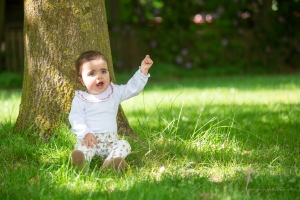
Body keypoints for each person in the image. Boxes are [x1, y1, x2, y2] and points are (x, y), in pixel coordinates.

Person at [69, 50, 153, 171]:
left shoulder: (114, 92)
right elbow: (76, 119)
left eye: (103, 71)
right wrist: (85, 133)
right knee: (84, 148)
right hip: (90, 140)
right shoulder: (81, 99)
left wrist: (143, 71)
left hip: (110, 143)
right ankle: (81, 162)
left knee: (124, 144)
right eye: (92, 73)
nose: (99, 76)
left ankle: (110, 163)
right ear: (82, 80)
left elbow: (132, 88)